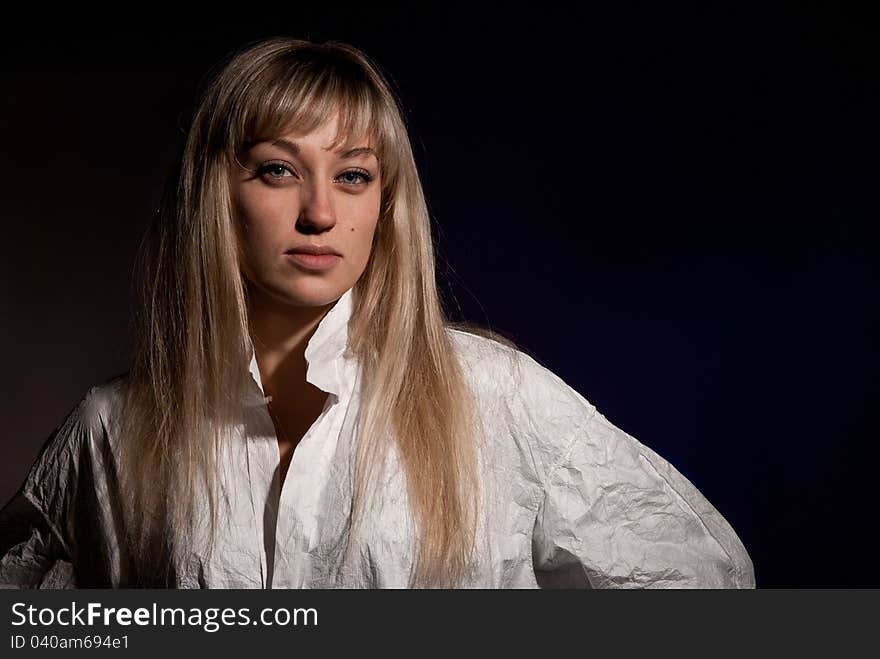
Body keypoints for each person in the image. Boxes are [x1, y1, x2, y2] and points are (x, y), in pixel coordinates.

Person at [0, 37, 755, 589]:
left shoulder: (493, 396)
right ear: (216, 197)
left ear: (385, 204)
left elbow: (702, 583)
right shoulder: (115, 428)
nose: (321, 211)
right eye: (278, 170)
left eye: (354, 174)